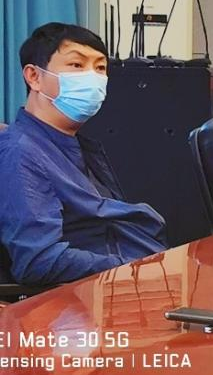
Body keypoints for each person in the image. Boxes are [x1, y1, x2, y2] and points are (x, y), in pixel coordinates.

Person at [0, 23, 166, 285]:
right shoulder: (21, 153)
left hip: (140, 276)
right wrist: (132, 268)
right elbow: (39, 260)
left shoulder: (75, 145)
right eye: (76, 65)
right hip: (91, 296)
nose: (92, 78)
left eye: (100, 68)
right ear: (34, 77)